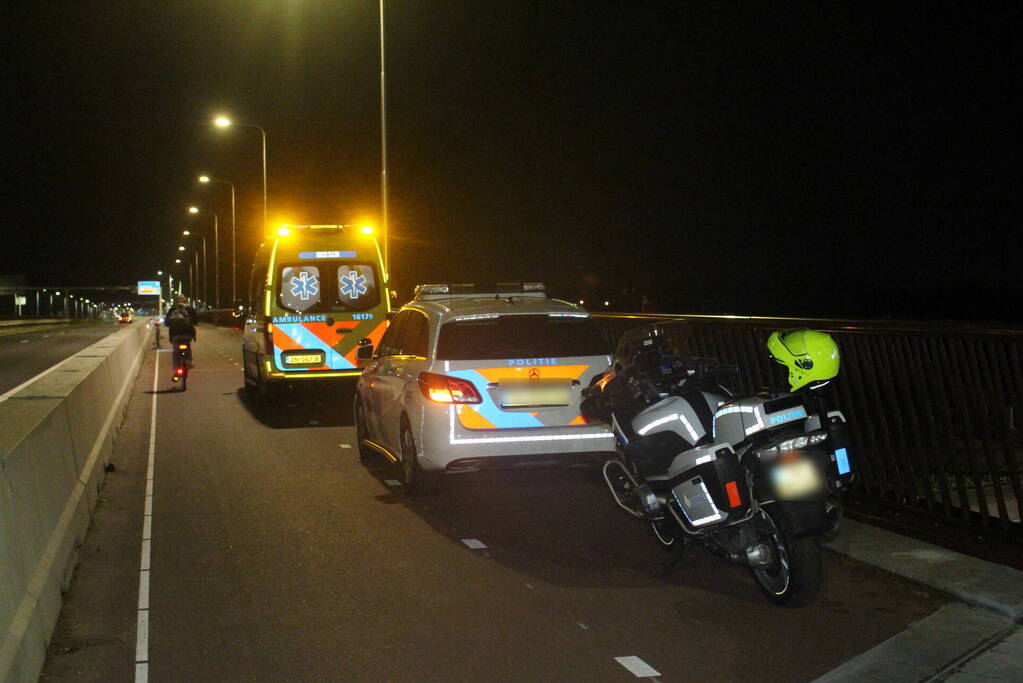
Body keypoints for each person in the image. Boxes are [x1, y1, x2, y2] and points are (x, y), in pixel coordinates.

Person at [164, 295, 198, 368]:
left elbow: (166, 323)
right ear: (185, 301)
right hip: (188, 334)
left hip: (175, 335)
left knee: (175, 350)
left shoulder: (172, 309)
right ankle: (189, 361)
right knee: (188, 347)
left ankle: (176, 365)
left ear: (176, 301)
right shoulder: (190, 309)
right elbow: (196, 320)